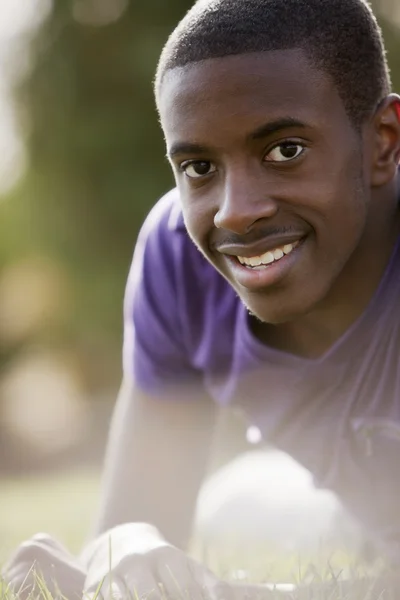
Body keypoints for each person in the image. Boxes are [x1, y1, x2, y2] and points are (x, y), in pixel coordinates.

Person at [3, 0, 400, 598]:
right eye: (198, 166)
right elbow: (134, 517)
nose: (235, 211)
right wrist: (125, 553)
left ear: (384, 142)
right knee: (235, 505)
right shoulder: (178, 260)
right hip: (347, 510)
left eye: (285, 150)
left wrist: (227, 593)